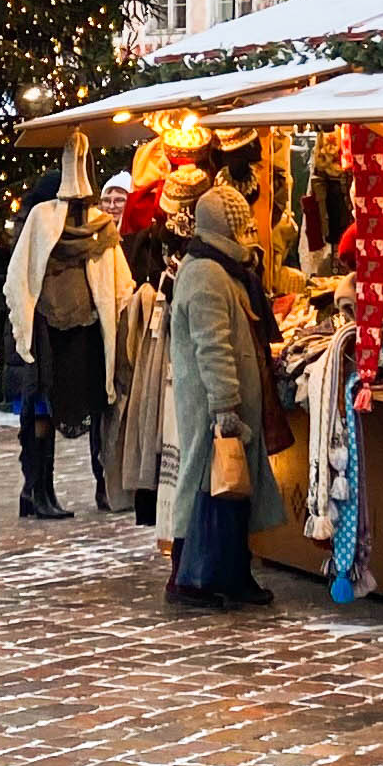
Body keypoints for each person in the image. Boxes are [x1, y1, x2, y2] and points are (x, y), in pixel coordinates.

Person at [160, 177, 280, 612]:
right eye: (241, 227)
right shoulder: (207, 274)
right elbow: (213, 346)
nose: (247, 234)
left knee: (229, 492)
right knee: (206, 487)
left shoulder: (217, 268)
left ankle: (231, 573)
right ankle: (190, 577)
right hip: (213, 406)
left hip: (222, 403)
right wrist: (225, 404)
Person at [0, 151, 117, 521]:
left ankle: (36, 491)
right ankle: (37, 489)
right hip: (36, 340)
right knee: (38, 416)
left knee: (44, 414)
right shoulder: (36, 235)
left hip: (49, 338)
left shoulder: (61, 235)